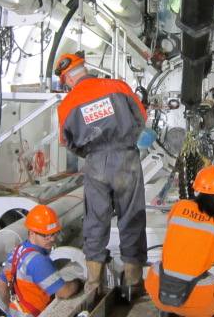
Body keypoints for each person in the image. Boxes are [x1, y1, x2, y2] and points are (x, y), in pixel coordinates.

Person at [55, 52, 148, 303]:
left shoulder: (67, 105)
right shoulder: (117, 86)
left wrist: (93, 152)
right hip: (126, 157)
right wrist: (126, 141)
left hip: (95, 163)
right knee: (132, 217)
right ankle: (133, 282)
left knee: (95, 220)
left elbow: (67, 142)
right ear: (84, 69)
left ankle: (93, 285)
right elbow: (141, 117)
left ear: (67, 79)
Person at [145, 165, 214, 317]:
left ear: (197, 189)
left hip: (157, 292)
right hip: (199, 304)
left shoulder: (179, 207)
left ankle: (169, 311)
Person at [0, 205, 80, 316]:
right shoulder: (38, 261)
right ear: (32, 233)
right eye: (46, 235)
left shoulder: (17, 251)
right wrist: (78, 282)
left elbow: (1, 285)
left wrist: (13, 306)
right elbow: (65, 292)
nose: (52, 239)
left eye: (54, 233)